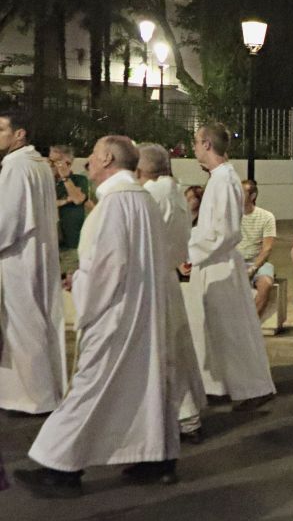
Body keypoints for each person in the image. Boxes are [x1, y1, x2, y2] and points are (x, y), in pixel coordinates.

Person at [16, 136, 179, 496]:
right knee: (145, 385)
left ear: (106, 157)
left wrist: (81, 285)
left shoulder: (112, 206)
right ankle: (157, 459)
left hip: (115, 315)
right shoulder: (143, 200)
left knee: (89, 388)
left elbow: (106, 268)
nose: (87, 161)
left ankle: (60, 467)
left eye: (92, 154)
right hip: (145, 311)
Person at [187, 123, 276, 410]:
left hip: (220, 263)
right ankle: (219, 385)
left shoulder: (224, 180)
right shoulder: (219, 178)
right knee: (214, 329)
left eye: (196, 142)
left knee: (233, 331)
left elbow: (222, 232)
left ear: (208, 145)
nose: (194, 147)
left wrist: (189, 251)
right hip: (213, 261)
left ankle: (254, 388)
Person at [137, 143, 207, 445]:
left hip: (153, 281)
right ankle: (186, 418)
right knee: (174, 353)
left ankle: (179, 419)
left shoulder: (154, 194)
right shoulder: (174, 191)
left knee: (165, 355)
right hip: (166, 278)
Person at [0, 110, 65, 415]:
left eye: (1, 129)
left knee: (22, 327)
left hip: (18, 258)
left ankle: (34, 397)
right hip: (38, 252)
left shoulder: (16, 167)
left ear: (19, 134)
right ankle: (32, 393)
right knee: (36, 323)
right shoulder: (39, 165)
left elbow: (7, 221)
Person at [239, 179, 278, 322]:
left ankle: (251, 323)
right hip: (235, 260)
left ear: (252, 196)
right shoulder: (230, 215)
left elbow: (267, 248)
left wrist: (253, 268)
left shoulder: (266, 217)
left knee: (265, 284)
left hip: (257, 261)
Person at [49, 145, 89, 276]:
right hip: (50, 245)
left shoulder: (79, 180)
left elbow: (78, 199)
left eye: (55, 162)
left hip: (71, 243)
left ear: (68, 163)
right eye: (50, 161)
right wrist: (65, 201)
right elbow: (44, 204)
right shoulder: (47, 183)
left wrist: (65, 177)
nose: (51, 165)